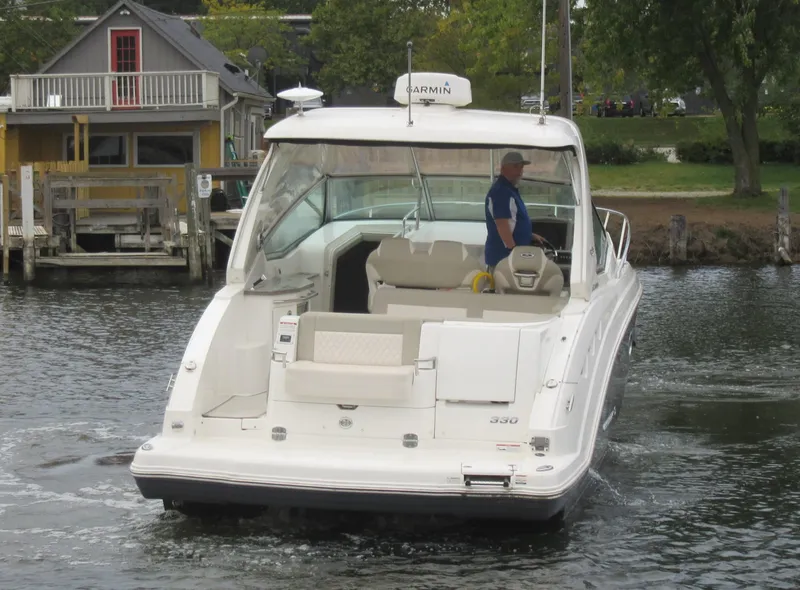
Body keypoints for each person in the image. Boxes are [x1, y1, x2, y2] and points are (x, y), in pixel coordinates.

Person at [484, 151, 544, 271]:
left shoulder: (509, 190)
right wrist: (514, 252)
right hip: (504, 259)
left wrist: (530, 235)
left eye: (521, 167)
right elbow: (502, 225)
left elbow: (512, 221)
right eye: (516, 167)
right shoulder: (501, 192)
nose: (520, 171)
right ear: (503, 168)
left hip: (510, 258)